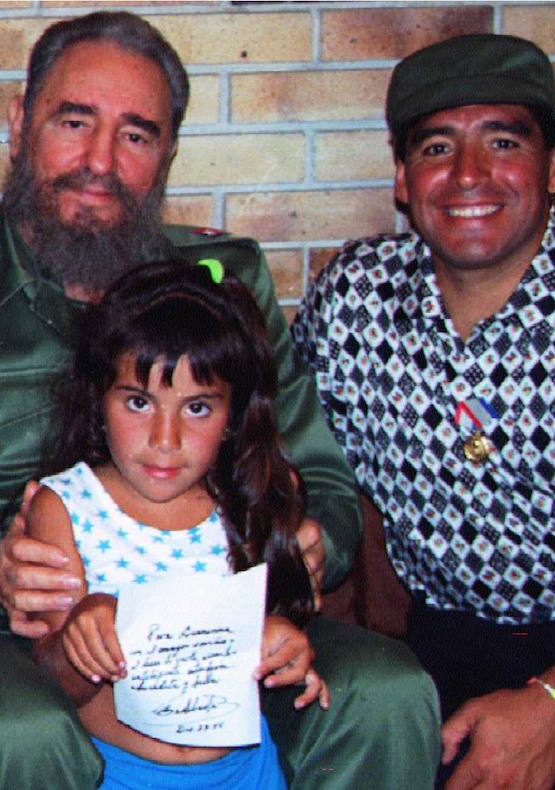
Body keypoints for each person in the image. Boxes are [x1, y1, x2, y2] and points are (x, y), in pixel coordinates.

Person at [0, 11, 439, 789]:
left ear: (167, 153)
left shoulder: (226, 287)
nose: (100, 161)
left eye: (137, 135)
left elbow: (325, 482)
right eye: (75, 122)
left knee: (385, 692)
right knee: (16, 733)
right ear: (21, 124)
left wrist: (311, 543)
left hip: (222, 629)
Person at [292, 33, 555, 789]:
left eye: (502, 141)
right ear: (402, 178)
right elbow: (284, 447)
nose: (468, 175)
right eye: (436, 148)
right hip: (451, 644)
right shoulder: (353, 300)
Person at [29, 260, 332, 789]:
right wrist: (85, 625)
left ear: (234, 414)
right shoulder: (68, 506)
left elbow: (275, 637)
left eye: (196, 408)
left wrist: (285, 644)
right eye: (140, 402)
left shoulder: (250, 499)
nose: (165, 438)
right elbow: (55, 682)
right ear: (99, 399)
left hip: (247, 773)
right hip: (121, 774)